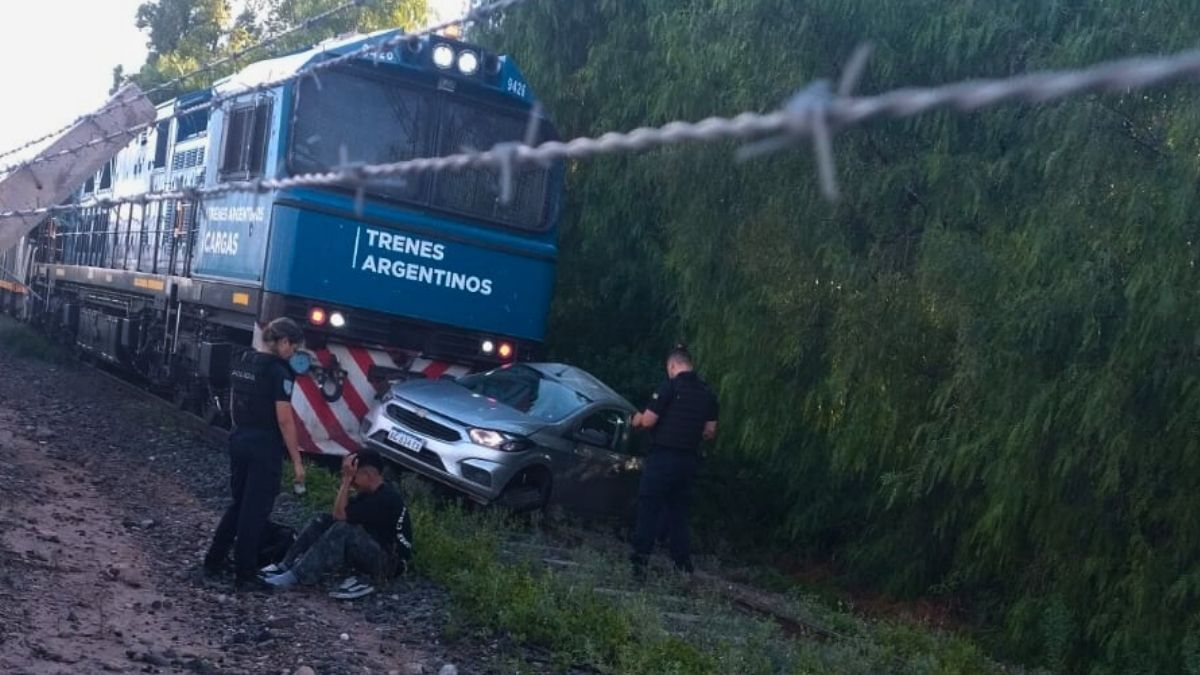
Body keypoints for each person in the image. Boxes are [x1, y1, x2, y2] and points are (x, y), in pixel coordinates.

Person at [203, 317, 307, 591]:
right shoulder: (279, 372)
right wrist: (297, 462)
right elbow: (284, 420)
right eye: (294, 347)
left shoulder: (244, 361)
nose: (293, 354)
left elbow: (233, 404)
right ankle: (245, 574)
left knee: (239, 504)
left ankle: (213, 560)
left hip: (239, 438)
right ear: (283, 342)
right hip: (264, 444)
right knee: (255, 511)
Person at [262, 450, 413, 598]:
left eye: (353, 476)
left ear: (368, 475)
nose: (352, 482)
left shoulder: (384, 499)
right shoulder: (370, 493)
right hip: (375, 548)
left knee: (344, 528)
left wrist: (346, 481)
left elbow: (340, 515)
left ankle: (299, 575)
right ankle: (287, 564)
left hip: (388, 565)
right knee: (322, 520)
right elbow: (336, 515)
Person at [629, 344, 718, 576]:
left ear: (672, 365)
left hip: (663, 457)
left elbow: (648, 421)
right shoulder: (707, 393)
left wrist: (636, 419)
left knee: (649, 507)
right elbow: (710, 432)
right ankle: (682, 566)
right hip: (688, 461)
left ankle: (639, 563)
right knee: (679, 513)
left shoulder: (669, 387)